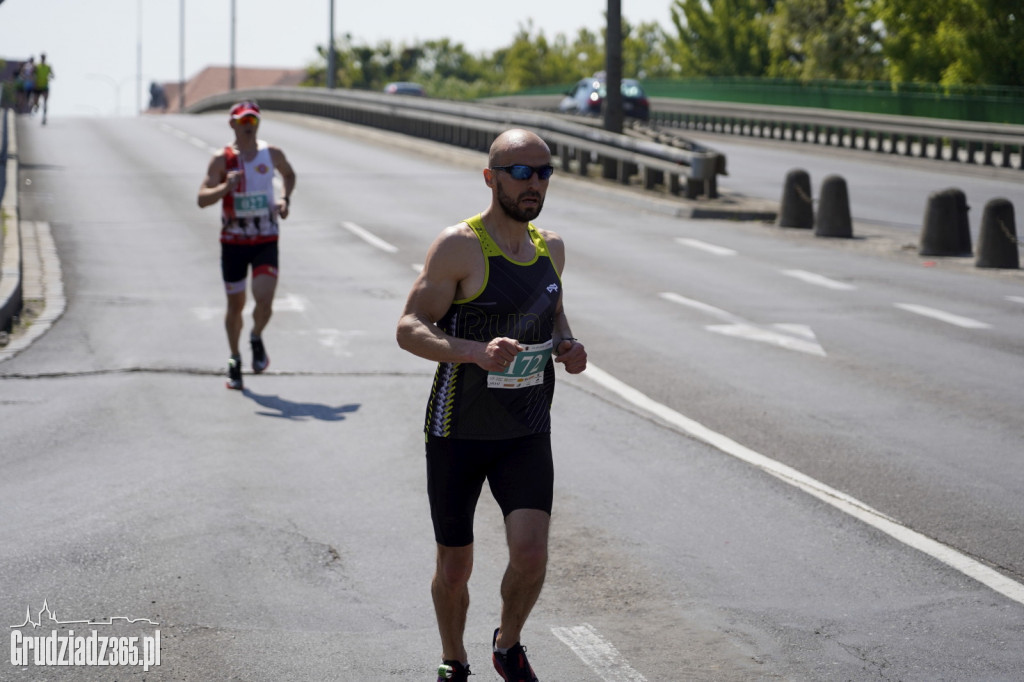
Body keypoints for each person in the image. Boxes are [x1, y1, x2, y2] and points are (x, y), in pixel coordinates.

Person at [396, 129, 588, 682]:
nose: (534, 183)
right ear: (491, 177)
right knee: (454, 567)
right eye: (521, 172)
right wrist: (474, 352)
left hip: (526, 428)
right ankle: (454, 659)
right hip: (457, 429)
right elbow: (410, 327)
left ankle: (508, 643)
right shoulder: (460, 245)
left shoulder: (552, 248)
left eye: (544, 172)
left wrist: (568, 346)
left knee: (531, 554)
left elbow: (551, 316)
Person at [197, 100, 296, 390]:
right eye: (243, 122)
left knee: (264, 301)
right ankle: (235, 358)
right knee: (235, 305)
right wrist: (224, 188)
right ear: (233, 124)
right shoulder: (222, 160)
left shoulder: (271, 153)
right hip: (233, 242)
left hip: (265, 237)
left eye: (253, 121)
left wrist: (285, 200)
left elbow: (289, 175)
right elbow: (201, 198)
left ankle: (255, 336)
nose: (249, 127)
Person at [32, 53, 54, 124]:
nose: (43, 59)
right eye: (42, 58)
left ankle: (44, 117)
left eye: (44, 58)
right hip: (37, 86)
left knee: (45, 102)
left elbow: (52, 75)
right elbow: (32, 74)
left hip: (45, 86)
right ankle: (37, 106)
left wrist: (50, 77)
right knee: (35, 101)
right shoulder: (37, 66)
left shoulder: (48, 66)